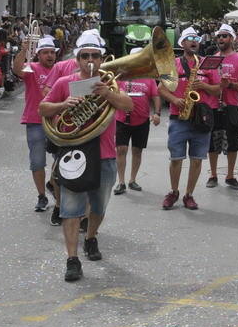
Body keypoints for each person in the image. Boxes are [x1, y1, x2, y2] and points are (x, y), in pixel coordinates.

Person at [40, 30, 133, 282]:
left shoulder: (110, 83)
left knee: (99, 205)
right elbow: (43, 108)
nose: (90, 60)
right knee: (70, 209)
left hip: (104, 154)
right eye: (85, 56)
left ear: (101, 59)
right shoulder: (64, 83)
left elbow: (128, 106)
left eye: (94, 56)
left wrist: (108, 94)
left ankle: (91, 237)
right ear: (77, 59)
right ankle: (72, 259)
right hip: (74, 152)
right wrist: (63, 106)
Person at [158, 27, 221, 211]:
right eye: (190, 38)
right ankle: (173, 191)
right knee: (176, 158)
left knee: (197, 159)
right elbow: (161, 89)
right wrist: (175, 100)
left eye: (196, 38)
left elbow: (218, 89)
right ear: (182, 43)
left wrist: (204, 85)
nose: (194, 41)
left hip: (201, 117)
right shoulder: (173, 64)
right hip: (179, 117)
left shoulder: (207, 64)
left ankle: (189, 195)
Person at [15, 36, 63, 218]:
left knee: (60, 159)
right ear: (38, 55)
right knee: (37, 162)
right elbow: (17, 70)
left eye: (52, 52)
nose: (50, 55)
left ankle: (53, 184)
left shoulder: (60, 69)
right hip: (35, 121)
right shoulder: (32, 68)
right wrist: (23, 50)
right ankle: (42, 196)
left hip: (57, 121)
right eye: (45, 53)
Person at [113, 47, 161, 195]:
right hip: (121, 119)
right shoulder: (121, 76)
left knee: (137, 151)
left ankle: (132, 180)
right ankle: (121, 182)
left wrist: (157, 113)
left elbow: (156, 96)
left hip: (141, 120)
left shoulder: (149, 78)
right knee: (121, 150)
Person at [206, 24, 238, 189]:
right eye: (219, 36)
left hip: (231, 106)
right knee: (212, 142)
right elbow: (206, 81)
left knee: (232, 142)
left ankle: (230, 176)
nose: (221, 39)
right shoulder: (212, 59)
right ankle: (213, 175)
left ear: (232, 38)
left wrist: (229, 84)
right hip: (213, 106)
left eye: (224, 36)